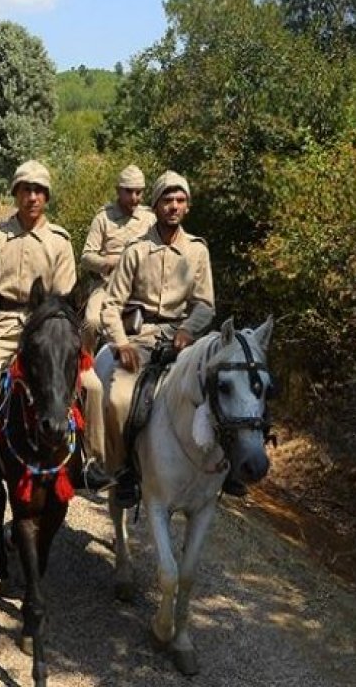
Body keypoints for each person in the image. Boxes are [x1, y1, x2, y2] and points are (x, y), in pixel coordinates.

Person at [0, 160, 96, 505]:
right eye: (25, 190)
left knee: (92, 387)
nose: (32, 197)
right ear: (16, 194)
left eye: (38, 191)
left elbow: (64, 303)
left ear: (46, 197)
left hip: (46, 332)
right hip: (2, 328)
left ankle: (88, 461)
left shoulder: (59, 242)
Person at [101, 171, 216, 507]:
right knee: (118, 399)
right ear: (155, 205)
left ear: (188, 207)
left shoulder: (197, 251)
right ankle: (122, 470)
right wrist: (121, 343)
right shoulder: (136, 251)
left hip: (183, 340)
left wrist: (188, 330)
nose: (173, 206)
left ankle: (226, 469)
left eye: (180, 200)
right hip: (141, 338)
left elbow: (206, 305)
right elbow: (111, 304)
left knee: (222, 390)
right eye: (167, 200)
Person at [78, 165, 155, 482]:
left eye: (139, 192)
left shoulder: (150, 218)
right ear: (118, 191)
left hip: (138, 289)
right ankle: (83, 373)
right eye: (129, 192)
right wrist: (110, 262)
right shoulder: (103, 218)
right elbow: (86, 257)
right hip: (107, 286)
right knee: (93, 321)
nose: (134, 198)